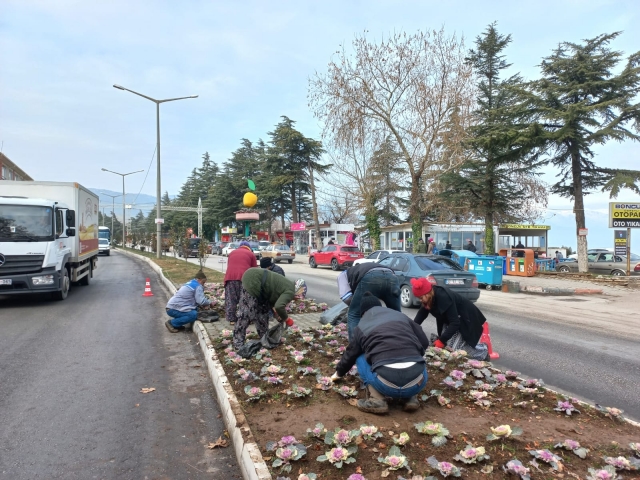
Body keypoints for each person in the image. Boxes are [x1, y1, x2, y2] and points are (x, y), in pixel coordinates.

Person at [331, 292, 429, 414]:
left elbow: (350, 354)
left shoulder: (362, 325)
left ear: (363, 313)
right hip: (417, 382)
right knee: (416, 358)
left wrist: (338, 373)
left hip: (386, 385)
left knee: (360, 356)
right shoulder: (401, 316)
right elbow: (424, 342)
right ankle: (410, 397)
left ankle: (377, 400)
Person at [411, 277, 489, 360]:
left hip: (467, 319)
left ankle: (483, 351)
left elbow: (455, 323)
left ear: (427, 294)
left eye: (420, 298)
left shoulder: (443, 297)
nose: (420, 300)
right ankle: (473, 348)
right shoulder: (428, 299)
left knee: (456, 350)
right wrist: (410, 329)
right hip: (452, 320)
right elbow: (420, 316)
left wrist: (441, 340)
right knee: (447, 347)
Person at [233, 267, 295, 350]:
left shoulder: (289, 286)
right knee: (246, 314)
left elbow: (272, 299)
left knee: (262, 312)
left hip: (260, 285)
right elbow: (279, 306)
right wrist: (286, 319)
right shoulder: (291, 291)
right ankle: (238, 343)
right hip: (253, 279)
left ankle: (264, 338)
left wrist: (276, 314)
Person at [341, 262, 401, 340]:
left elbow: (347, 298)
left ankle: (355, 347)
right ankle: (399, 341)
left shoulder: (342, 275)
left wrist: (359, 308)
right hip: (392, 277)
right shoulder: (361, 268)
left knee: (354, 314)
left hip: (372, 277)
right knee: (397, 315)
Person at [224, 240, 257, 325]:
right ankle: (246, 318)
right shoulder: (251, 254)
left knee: (231, 299)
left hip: (230, 278)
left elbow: (230, 266)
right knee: (245, 299)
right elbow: (254, 270)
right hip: (244, 279)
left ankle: (231, 319)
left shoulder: (232, 253)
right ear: (249, 247)